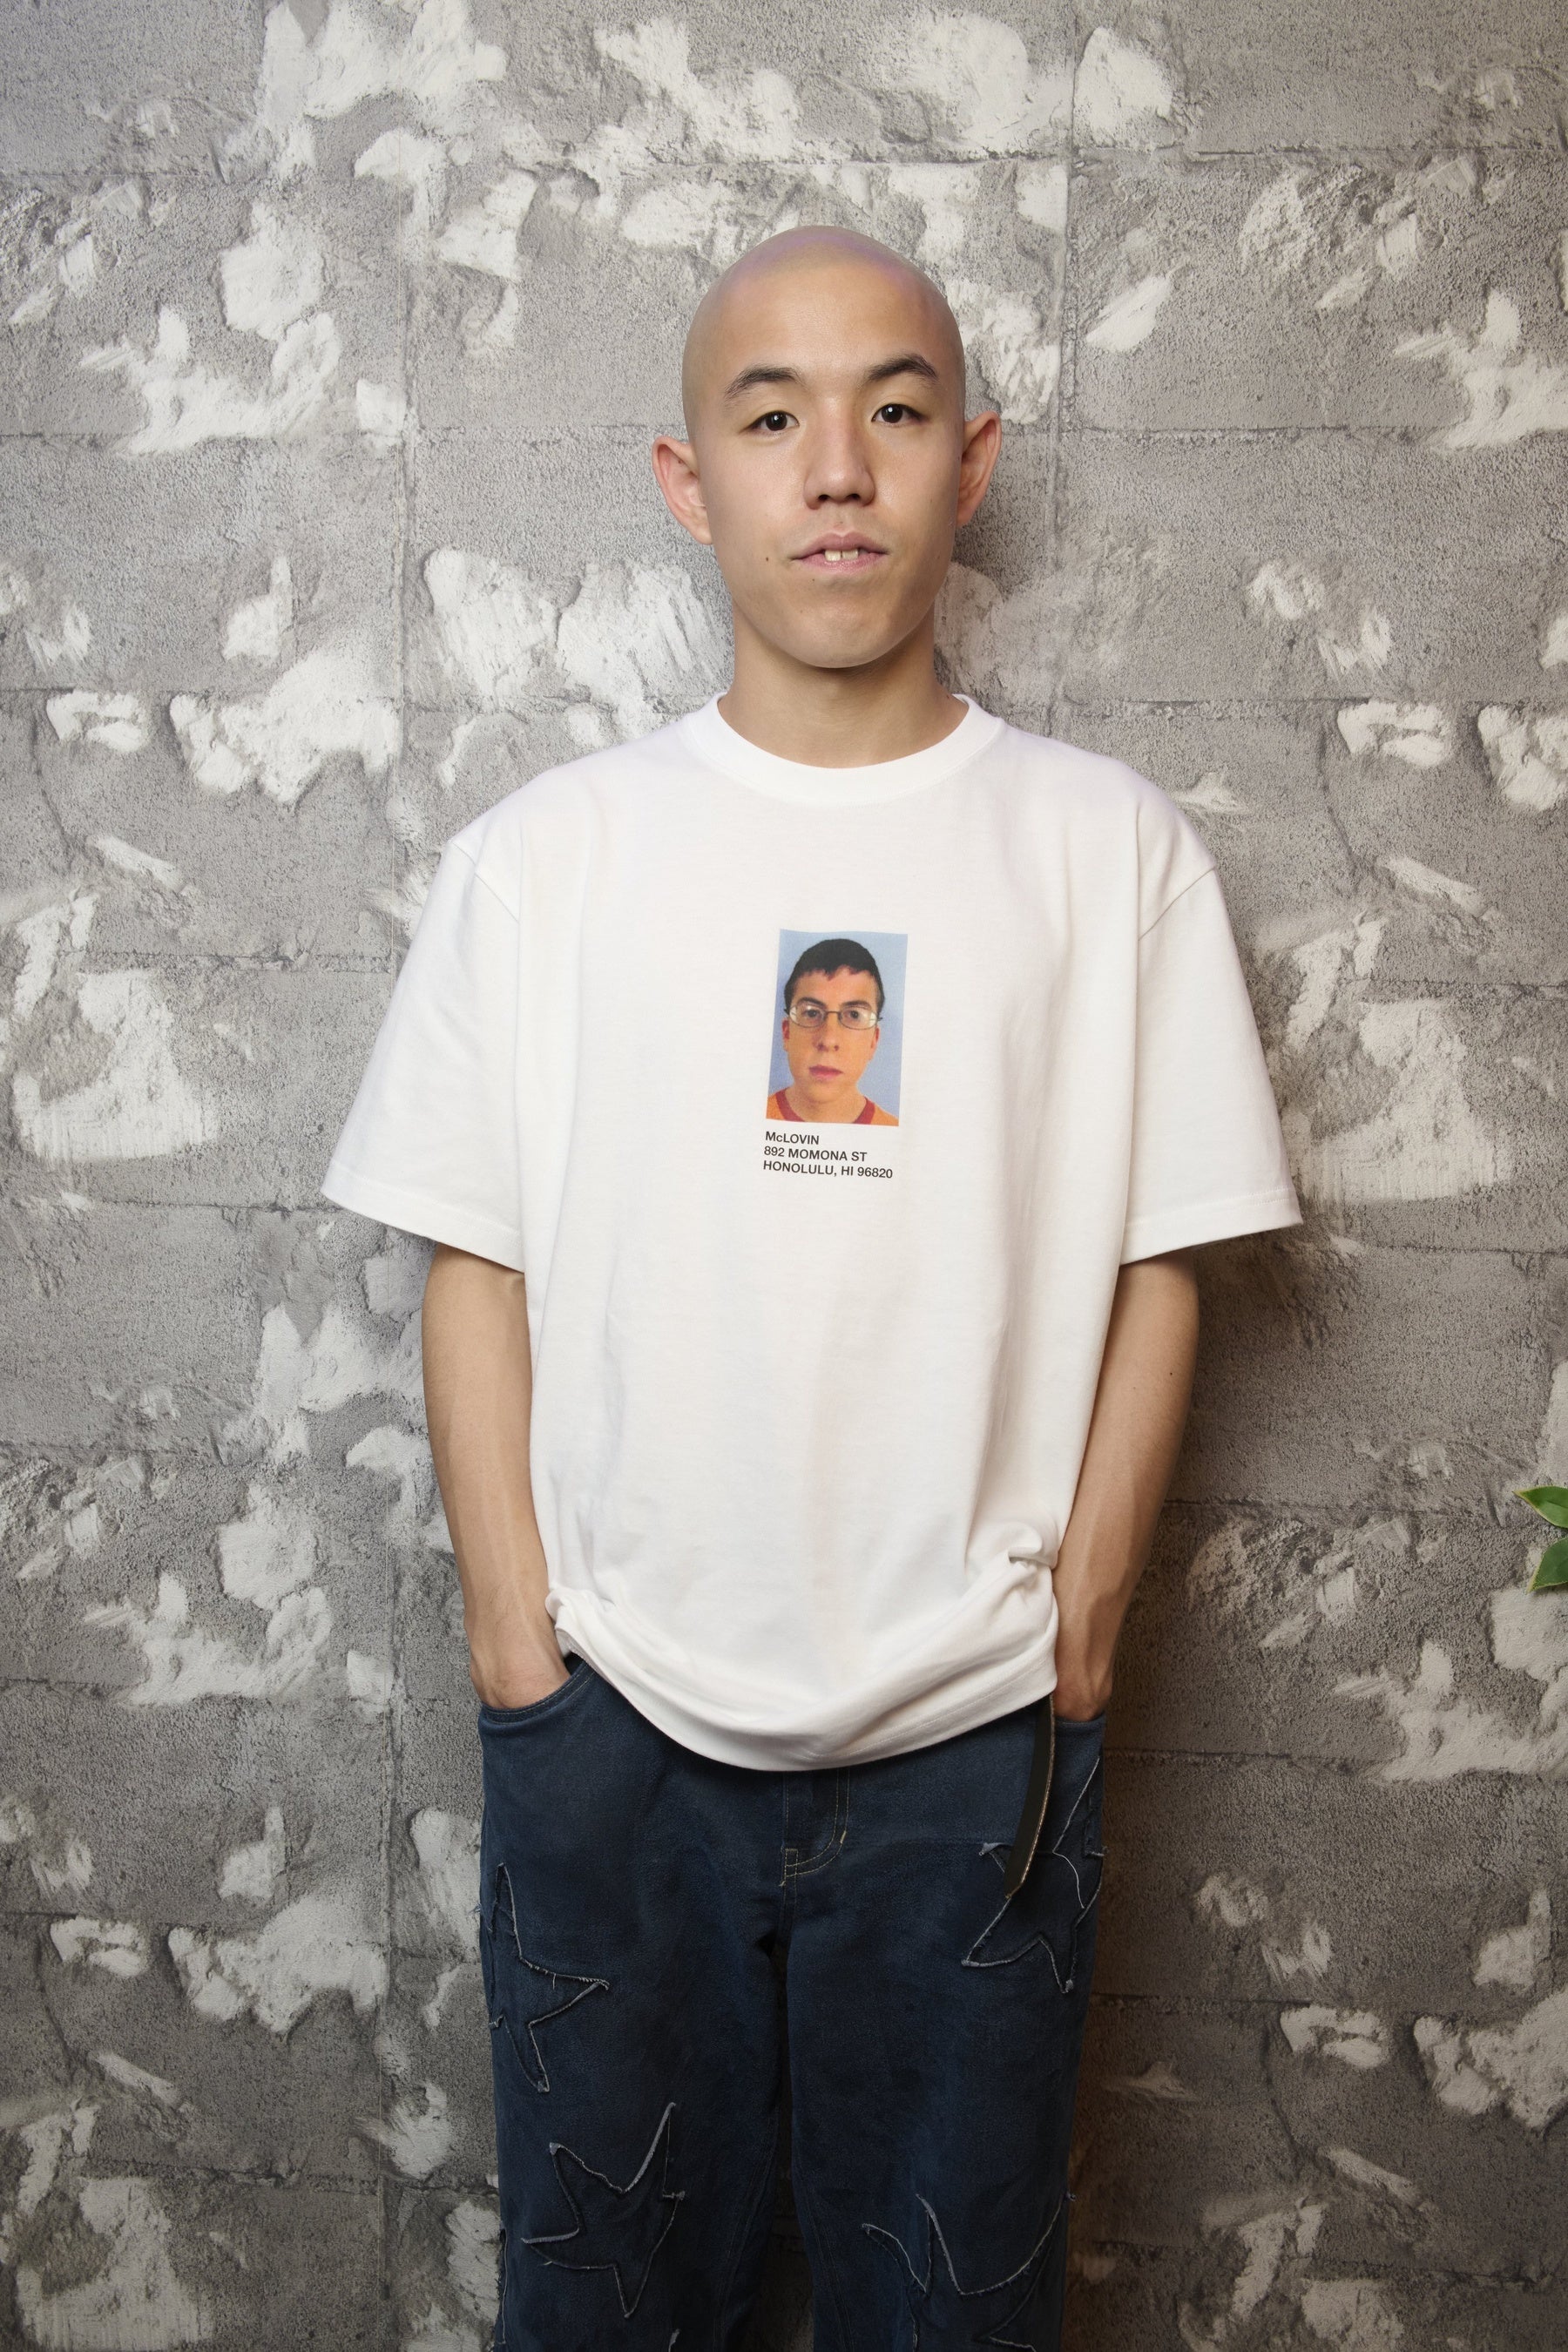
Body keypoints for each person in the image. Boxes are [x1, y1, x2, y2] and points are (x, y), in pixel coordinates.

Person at [323, 226, 1301, 2351]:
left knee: (952, 2317)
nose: (837, 464)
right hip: (615, 1726)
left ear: (973, 461)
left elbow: (1169, 1256)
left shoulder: (1106, 848)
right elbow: (471, 1252)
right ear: (690, 482)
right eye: (773, 417)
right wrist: (518, 1645)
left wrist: (1083, 1613)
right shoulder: (549, 857)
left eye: (896, 408)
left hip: (976, 1739)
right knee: (604, 2313)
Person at [767, 936, 900, 1125]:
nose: (828, 1040)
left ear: (873, 1041)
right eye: (812, 1013)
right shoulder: (750, 1119)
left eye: (854, 1015)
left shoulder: (892, 1130)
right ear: (787, 1033)